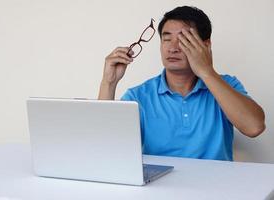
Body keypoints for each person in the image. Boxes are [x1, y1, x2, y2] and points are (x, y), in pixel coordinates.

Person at [98, 6, 265, 161]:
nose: (173, 48)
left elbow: (254, 127)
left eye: (184, 39)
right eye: (167, 39)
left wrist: (206, 71)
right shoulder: (139, 96)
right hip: (159, 188)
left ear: (205, 45)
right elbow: (106, 148)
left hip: (216, 188)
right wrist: (109, 83)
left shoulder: (227, 85)